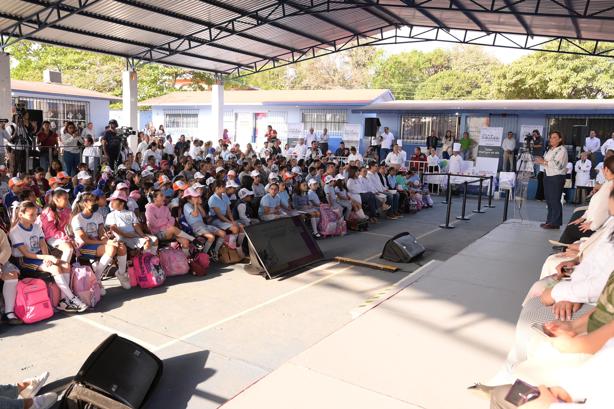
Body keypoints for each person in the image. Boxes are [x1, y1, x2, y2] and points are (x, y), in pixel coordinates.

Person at [11, 201, 87, 313]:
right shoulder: (15, 231)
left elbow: (42, 243)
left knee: (66, 265)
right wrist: (45, 257)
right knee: (55, 268)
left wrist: (46, 256)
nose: (34, 217)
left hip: (39, 256)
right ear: (21, 215)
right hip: (24, 260)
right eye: (31, 215)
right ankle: (72, 298)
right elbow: (26, 254)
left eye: (35, 214)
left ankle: (63, 300)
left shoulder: (36, 226)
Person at [71, 192, 125, 291]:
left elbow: (101, 233)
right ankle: (97, 279)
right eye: (93, 201)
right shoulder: (77, 219)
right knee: (111, 248)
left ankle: (121, 273)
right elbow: (85, 240)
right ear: (85, 203)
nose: (96, 203)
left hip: (97, 244)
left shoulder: (98, 216)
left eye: (96, 200)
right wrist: (106, 243)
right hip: (84, 246)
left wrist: (108, 240)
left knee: (121, 246)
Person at [535, 131, 568, 229]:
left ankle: (555, 222)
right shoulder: (550, 149)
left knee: (554, 200)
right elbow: (546, 162)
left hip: (557, 177)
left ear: (560, 139)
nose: (551, 139)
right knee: (549, 200)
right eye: (550, 137)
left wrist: (544, 161)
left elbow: (558, 164)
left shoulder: (562, 150)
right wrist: (539, 161)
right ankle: (549, 221)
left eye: (554, 137)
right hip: (548, 175)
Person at [182, 187, 225, 261]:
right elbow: (195, 214)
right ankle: (204, 254)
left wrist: (198, 204)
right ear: (189, 198)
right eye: (195, 197)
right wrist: (195, 204)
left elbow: (204, 215)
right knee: (211, 237)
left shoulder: (196, 205)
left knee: (223, 233)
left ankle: (215, 251)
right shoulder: (186, 206)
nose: (197, 198)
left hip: (203, 225)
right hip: (195, 227)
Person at [208, 180, 245, 251]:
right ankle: (228, 247)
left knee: (242, 227)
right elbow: (219, 215)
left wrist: (232, 220)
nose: (225, 188)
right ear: (217, 188)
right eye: (223, 186)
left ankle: (238, 246)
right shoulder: (212, 199)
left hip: (225, 218)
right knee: (235, 228)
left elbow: (229, 211)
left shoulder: (224, 196)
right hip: (215, 220)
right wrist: (231, 222)